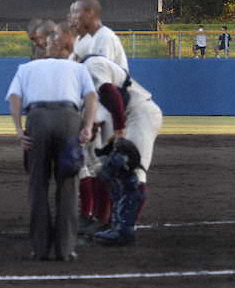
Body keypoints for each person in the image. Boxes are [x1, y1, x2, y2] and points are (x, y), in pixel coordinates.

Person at [59, 24, 163, 246]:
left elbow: (111, 93)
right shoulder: (81, 79)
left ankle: (124, 231)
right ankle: (113, 223)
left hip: (140, 113)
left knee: (132, 171)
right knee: (110, 170)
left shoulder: (91, 65)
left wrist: (119, 130)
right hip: (127, 115)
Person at [8, 22, 96, 262]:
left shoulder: (27, 68)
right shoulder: (77, 67)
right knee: (68, 185)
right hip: (69, 119)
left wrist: (19, 130)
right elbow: (91, 97)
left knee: (38, 185)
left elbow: (14, 98)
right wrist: (87, 126)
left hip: (38, 119)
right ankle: (65, 249)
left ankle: (40, 248)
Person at [69, 0, 128, 71]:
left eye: (76, 12)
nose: (74, 17)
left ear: (90, 13)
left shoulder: (105, 36)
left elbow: (104, 73)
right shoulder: (93, 37)